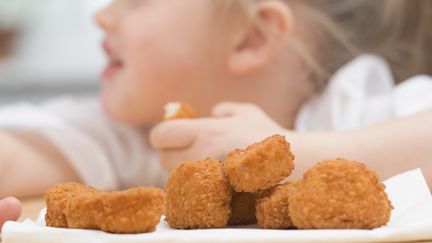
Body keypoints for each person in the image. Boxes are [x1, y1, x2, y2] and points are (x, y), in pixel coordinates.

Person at [0, 0, 431, 229]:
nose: (102, 14)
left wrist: (298, 155)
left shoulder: (356, 105)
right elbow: (17, 153)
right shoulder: (138, 131)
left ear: (251, 37)